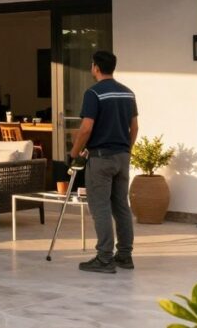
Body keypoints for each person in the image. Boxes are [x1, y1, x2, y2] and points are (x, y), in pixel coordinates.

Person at [69, 50, 138, 274]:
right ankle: (125, 255)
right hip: (122, 156)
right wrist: (127, 149)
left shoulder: (93, 93)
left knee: (100, 207)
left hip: (100, 157)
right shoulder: (128, 93)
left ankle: (105, 258)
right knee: (121, 206)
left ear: (96, 67)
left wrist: (74, 152)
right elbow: (134, 127)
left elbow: (86, 128)